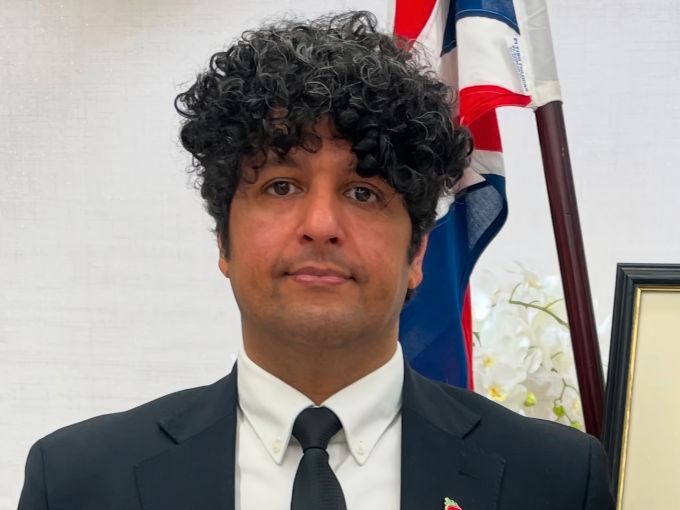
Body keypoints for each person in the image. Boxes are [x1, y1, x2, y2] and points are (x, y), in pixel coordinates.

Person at [18, 11, 614, 510]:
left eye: (364, 192)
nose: (321, 225)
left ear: (418, 251)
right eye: (281, 186)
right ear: (223, 240)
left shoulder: (556, 480)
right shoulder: (77, 482)